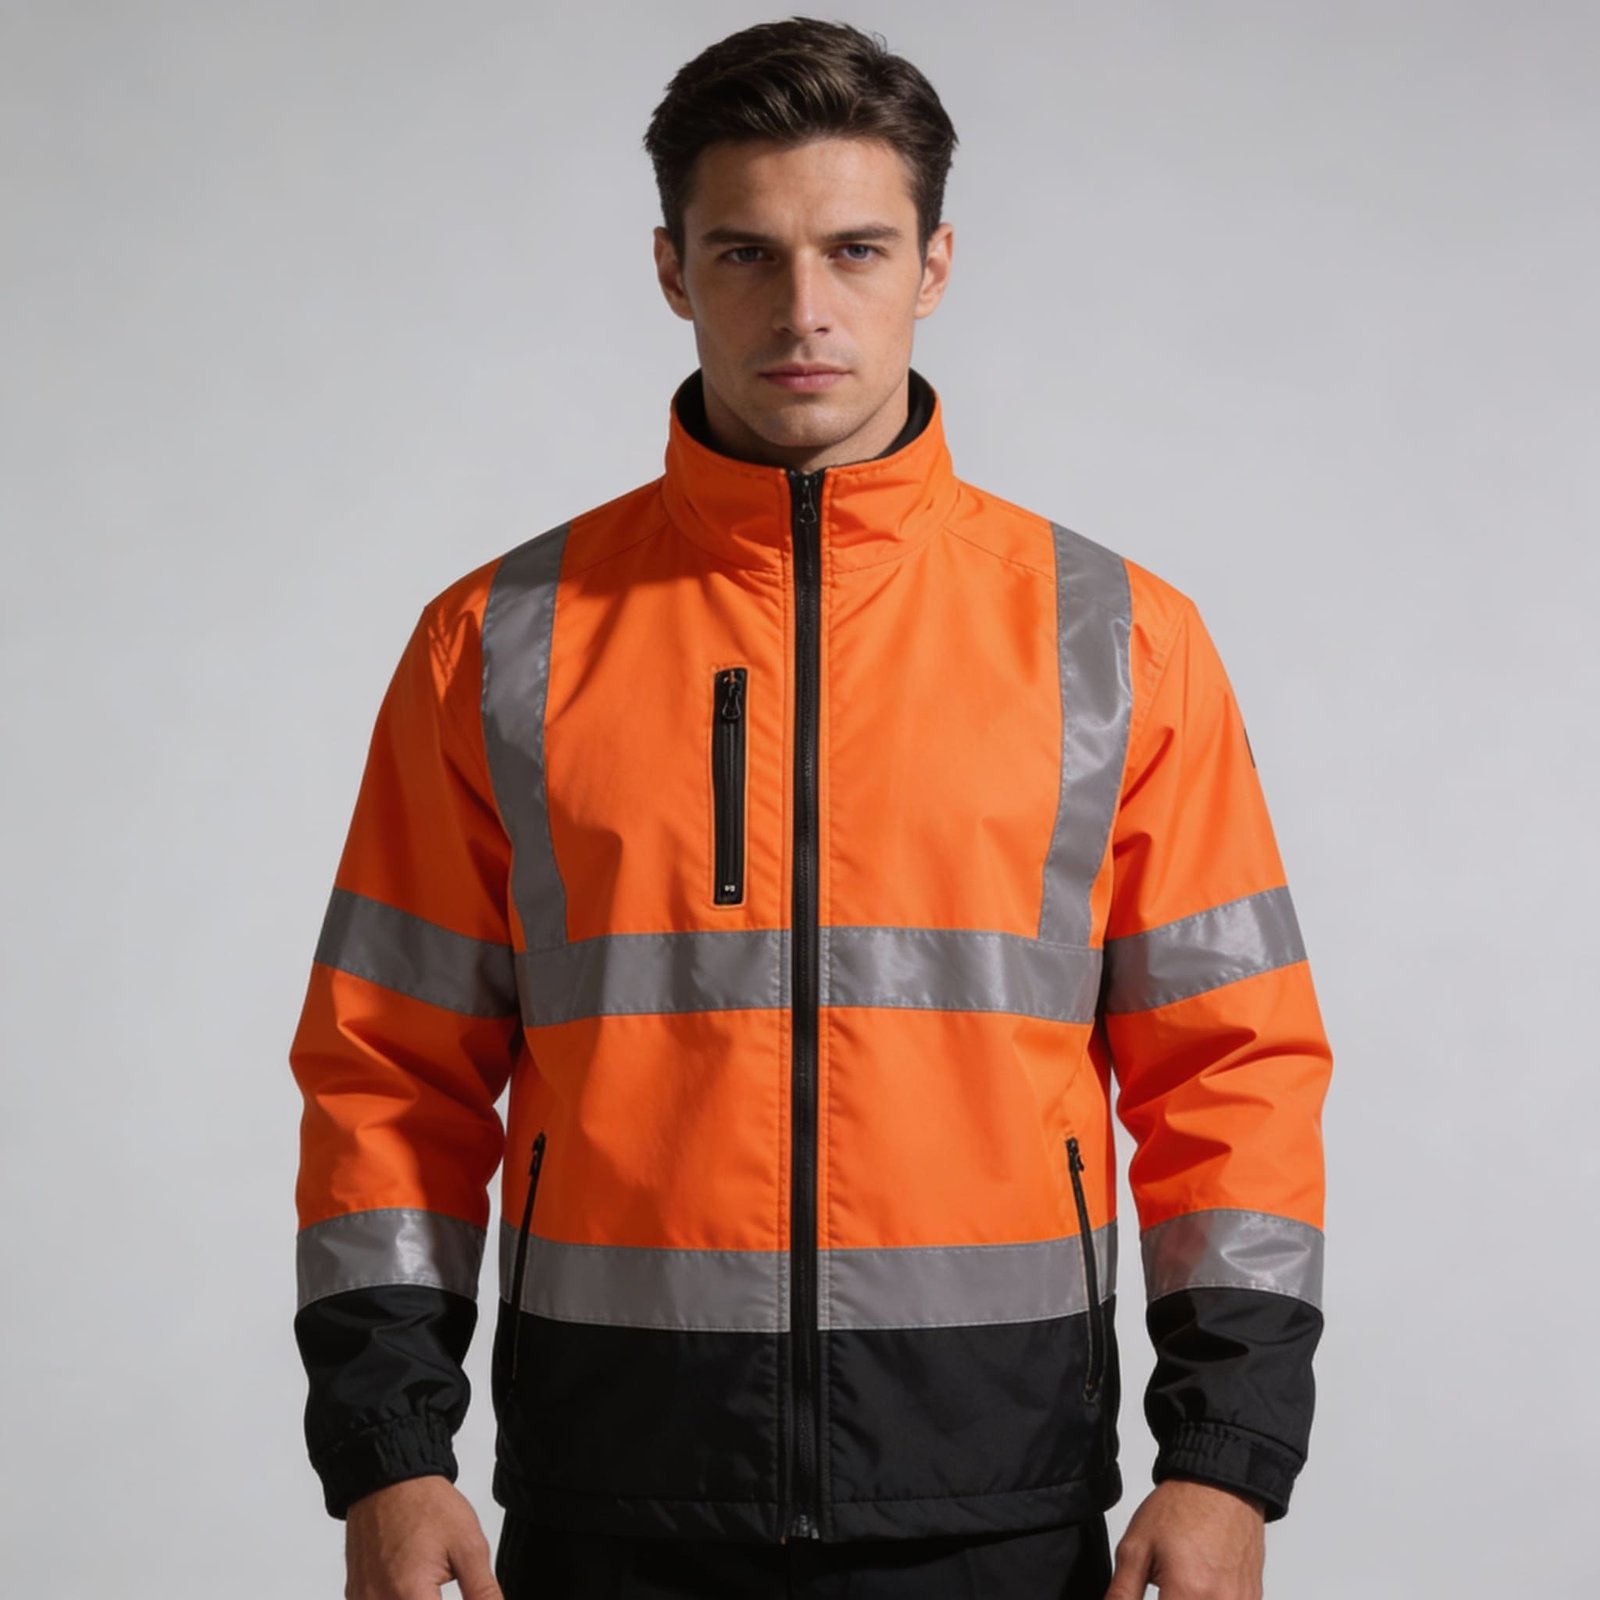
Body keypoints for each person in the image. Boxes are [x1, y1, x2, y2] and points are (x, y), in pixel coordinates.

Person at [289, 15, 1332, 1599]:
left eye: (856, 249)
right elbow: (387, 1069)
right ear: (670, 268)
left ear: (934, 264)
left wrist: (1226, 1461)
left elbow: (1232, 1069)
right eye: (745, 253)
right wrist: (389, 1451)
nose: (803, 309)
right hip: (615, 1492)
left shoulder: (1116, 641)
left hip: (992, 1494)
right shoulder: (498, 642)